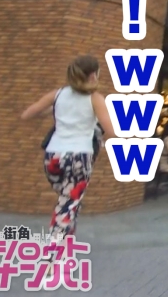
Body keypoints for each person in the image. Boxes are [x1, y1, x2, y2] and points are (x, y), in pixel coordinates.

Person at [21, 55, 114, 242]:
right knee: (67, 204)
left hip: (52, 157)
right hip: (78, 157)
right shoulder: (95, 99)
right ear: (93, 75)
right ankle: (53, 252)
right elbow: (112, 131)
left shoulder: (57, 95)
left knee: (69, 201)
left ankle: (66, 242)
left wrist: (57, 110)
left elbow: (27, 115)